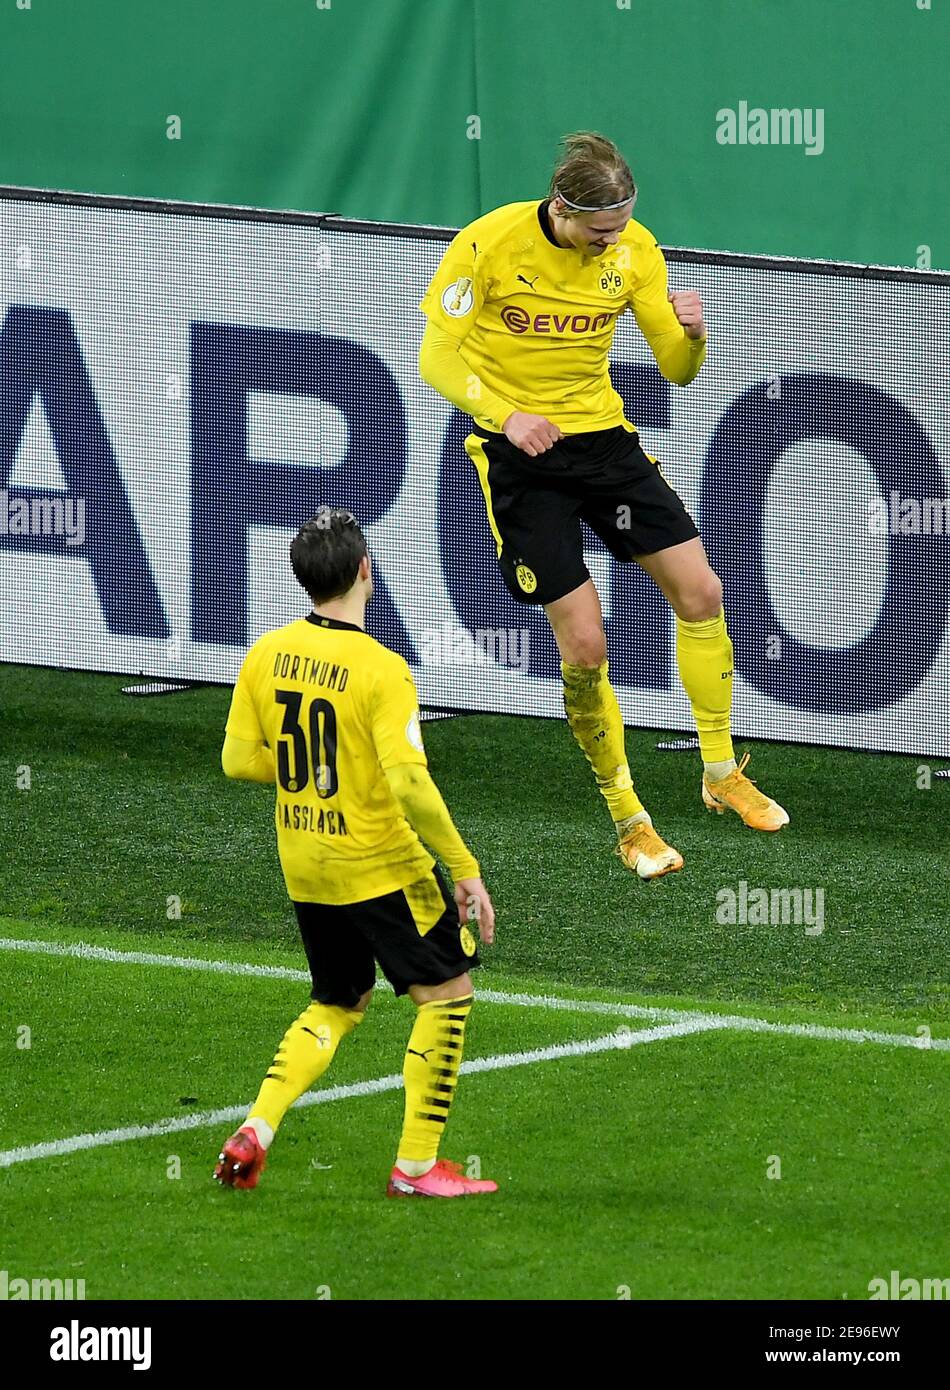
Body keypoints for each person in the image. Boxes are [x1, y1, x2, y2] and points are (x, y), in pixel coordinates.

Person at [418, 130, 788, 881]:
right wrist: (503, 414)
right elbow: (436, 356)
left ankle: (720, 773)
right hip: (521, 456)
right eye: (599, 230)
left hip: (604, 446)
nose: (611, 242)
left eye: (620, 228)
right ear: (562, 207)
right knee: (585, 644)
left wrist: (695, 336)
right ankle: (629, 818)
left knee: (702, 591)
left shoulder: (635, 251)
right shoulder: (488, 244)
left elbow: (678, 373)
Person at [214, 509, 497, 1198]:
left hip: (306, 861)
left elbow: (237, 760)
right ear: (366, 570)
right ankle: (418, 1167)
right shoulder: (383, 669)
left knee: (339, 999)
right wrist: (464, 868)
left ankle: (259, 1127)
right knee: (447, 996)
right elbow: (407, 782)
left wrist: (315, 772)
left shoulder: (266, 652)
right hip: (382, 865)